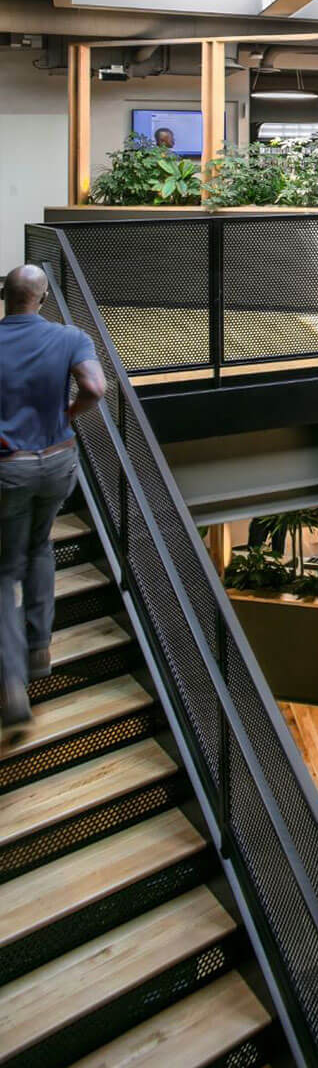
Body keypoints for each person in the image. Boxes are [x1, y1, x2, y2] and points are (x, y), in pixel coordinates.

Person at [0, 265, 106, 734]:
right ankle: (40, 646)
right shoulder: (70, 337)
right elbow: (95, 388)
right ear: (41, 299)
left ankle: (11, 681)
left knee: (4, 572)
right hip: (58, 462)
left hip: (10, 468)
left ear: (5, 298)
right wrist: (68, 414)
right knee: (40, 547)